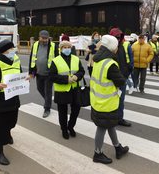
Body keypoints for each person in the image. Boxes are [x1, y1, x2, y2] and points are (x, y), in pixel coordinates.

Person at [90, 35, 129, 164]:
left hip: (98, 100)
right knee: (102, 128)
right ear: (113, 47)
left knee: (110, 124)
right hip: (106, 103)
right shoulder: (110, 64)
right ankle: (97, 153)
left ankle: (118, 147)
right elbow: (120, 81)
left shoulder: (98, 59)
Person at [49, 40, 85, 139]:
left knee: (76, 109)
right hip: (62, 91)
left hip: (75, 89)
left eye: (68, 47)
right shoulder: (56, 60)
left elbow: (82, 71)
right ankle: (64, 129)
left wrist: (77, 76)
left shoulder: (76, 59)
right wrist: (66, 79)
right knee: (62, 112)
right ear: (61, 49)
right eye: (64, 47)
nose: (67, 49)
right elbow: (52, 76)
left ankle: (71, 126)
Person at [28, 30, 58, 118]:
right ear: (39, 37)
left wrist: (55, 72)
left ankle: (47, 108)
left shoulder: (53, 46)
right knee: (39, 88)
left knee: (48, 91)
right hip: (38, 73)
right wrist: (31, 72)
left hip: (49, 74)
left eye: (46, 38)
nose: (44, 40)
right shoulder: (35, 45)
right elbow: (32, 58)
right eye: (43, 38)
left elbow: (57, 59)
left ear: (48, 38)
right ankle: (47, 101)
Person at [109, 27, 133, 127]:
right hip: (112, 80)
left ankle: (119, 118)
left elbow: (125, 62)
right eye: (116, 37)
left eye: (119, 37)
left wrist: (127, 73)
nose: (118, 39)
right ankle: (111, 118)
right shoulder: (109, 49)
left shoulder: (122, 47)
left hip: (122, 78)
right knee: (111, 100)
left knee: (121, 100)